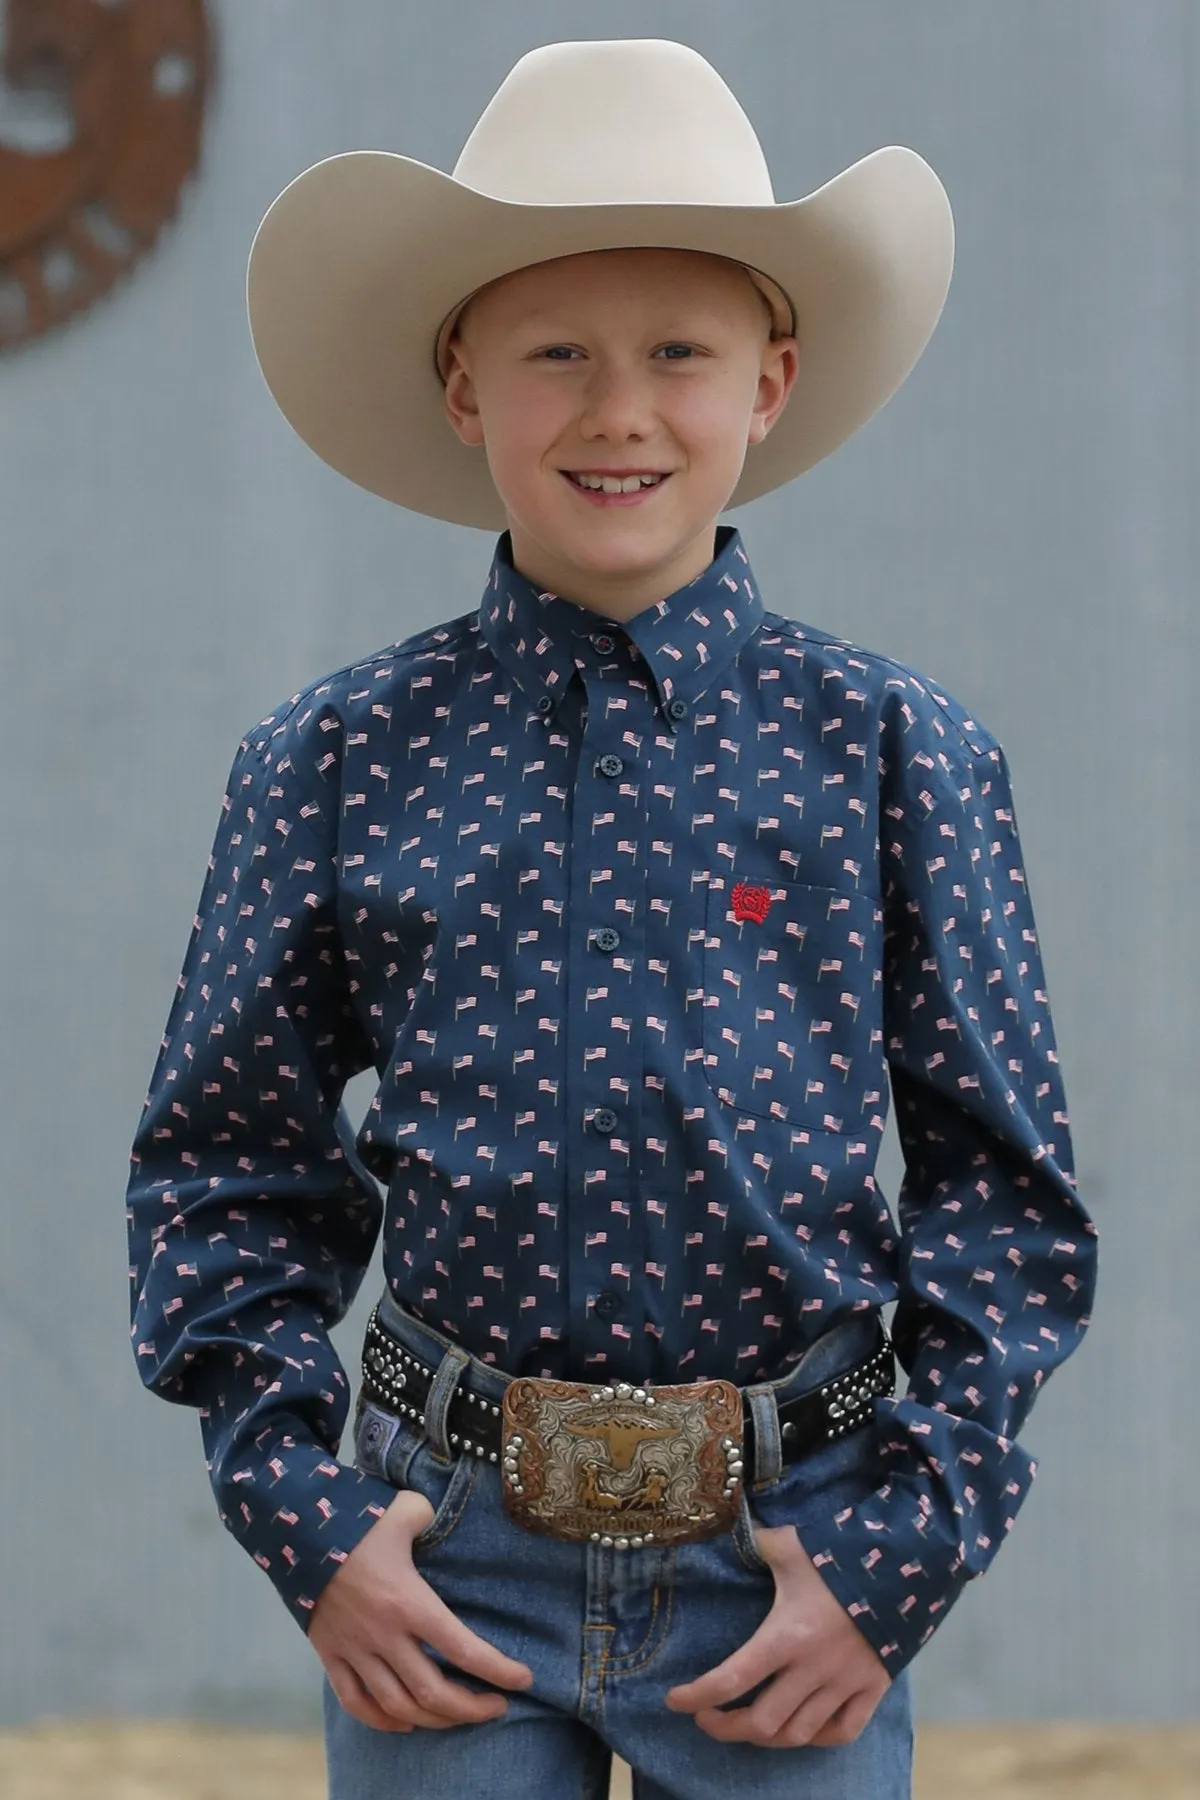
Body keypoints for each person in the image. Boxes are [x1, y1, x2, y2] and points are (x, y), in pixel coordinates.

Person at [125, 37, 1097, 1800]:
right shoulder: (333, 760)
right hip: (445, 1558)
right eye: (556, 352)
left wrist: (900, 1554)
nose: (620, 410)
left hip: (792, 1553)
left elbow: (1004, 1198)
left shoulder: (898, 754)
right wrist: (312, 1523)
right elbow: (224, 1172)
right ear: (461, 384)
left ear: (773, 380)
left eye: (679, 353)